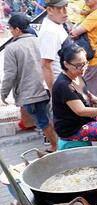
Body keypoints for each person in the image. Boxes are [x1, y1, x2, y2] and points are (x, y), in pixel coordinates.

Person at [1, 13, 58, 152]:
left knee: (44, 123)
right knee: (50, 120)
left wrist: (3, 94)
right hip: (47, 87)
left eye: (11, 28)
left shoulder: (12, 48)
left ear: (17, 29)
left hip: (31, 93)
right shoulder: (40, 41)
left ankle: (56, 148)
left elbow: (10, 74)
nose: (10, 31)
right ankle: (56, 146)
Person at [52, 44, 97, 142]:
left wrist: (94, 98)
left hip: (82, 120)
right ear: (66, 64)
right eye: (78, 65)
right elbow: (81, 111)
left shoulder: (77, 75)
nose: (83, 68)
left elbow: (85, 92)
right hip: (71, 128)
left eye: (85, 63)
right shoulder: (64, 85)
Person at [70, 0, 97, 100]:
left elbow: (74, 33)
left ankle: (93, 115)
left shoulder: (95, 16)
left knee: (89, 97)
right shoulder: (94, 14)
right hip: (94, 60)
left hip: (92, 62)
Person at [39, 0, 69, 92]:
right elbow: (46, 65)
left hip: (66, 82)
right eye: (60, 8)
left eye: (66, 6)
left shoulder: (57, 24)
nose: (65, 11)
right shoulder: (50, 32)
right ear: (49, 10)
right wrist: (54, 94)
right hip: (60, 86)